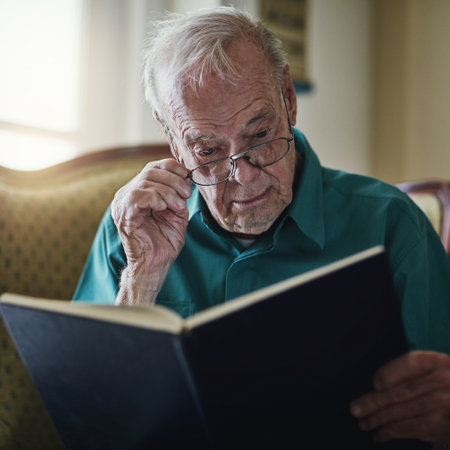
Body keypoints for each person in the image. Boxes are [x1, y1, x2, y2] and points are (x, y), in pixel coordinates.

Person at [73, 6, 450, 446]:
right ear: (172, 137)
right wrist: (142, 280)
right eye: (209, 151)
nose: (245, 176)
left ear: (288, 97)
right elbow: (87, 420)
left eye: (259, 136)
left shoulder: (392, 225)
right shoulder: (134, 232)